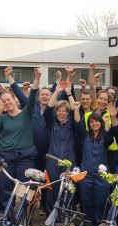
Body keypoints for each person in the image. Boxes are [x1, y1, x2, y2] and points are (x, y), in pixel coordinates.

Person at [0, 67, 41, 212]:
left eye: (9, 99)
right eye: (4, 101)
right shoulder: (3, 118)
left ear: (14, 100)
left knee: (24, 190)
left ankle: (22, 217)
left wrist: (36, 79)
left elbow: (33, 94)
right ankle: (8, 218)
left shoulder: (26, 113)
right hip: (6, 157)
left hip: (25, 157)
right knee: (5, 189)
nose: (7, 102)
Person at [42, 81, 84, 215]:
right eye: (59, 111)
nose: (61, 113)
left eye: (64, 111)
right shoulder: (51, 123)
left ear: (67, 113)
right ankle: (51, 218)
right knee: (52, 189)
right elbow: (49, 108)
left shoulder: (72, 124)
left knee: (68, 188)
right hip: (52, 160)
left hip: (69, 160)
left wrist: (69, 94)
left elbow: (76, 113)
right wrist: (57, 91)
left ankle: (67, 217)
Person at [74, 103, 114, 226]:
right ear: (89, 124)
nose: (94, 124)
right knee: (86, 199)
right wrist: (75, 108)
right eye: (91, 122)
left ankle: (98, 224)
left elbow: (109, 136)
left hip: (101, 174)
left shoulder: (105, 136)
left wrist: (107, 122)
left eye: (97, 121)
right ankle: (88, 222)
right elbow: (77, 123)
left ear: (100, 123)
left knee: (100, 199)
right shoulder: (85, 135)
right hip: (86, 173)